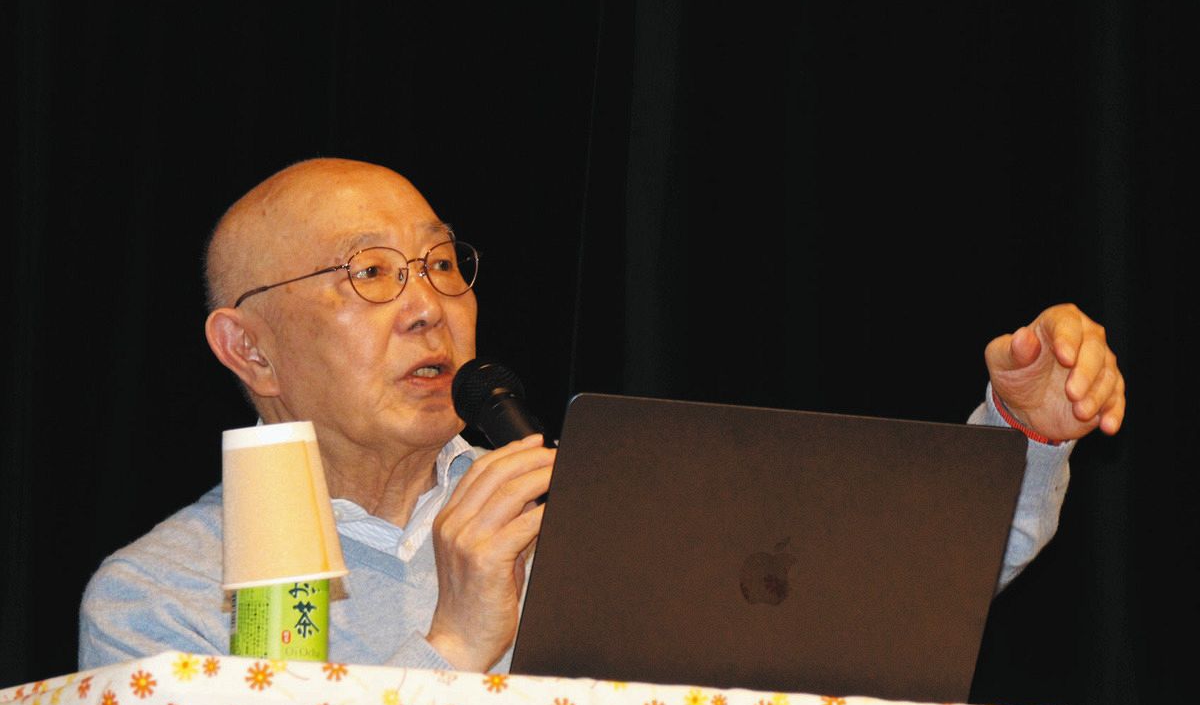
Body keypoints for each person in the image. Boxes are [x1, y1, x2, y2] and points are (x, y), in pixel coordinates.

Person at [77, 158, 1126, 673]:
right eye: (372, 274)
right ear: (249, 347)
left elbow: (874, 592)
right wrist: (453, 646)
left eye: (442, 264)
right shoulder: (158, 601)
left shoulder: (585, 507)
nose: (429, 305)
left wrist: (1025, 429)